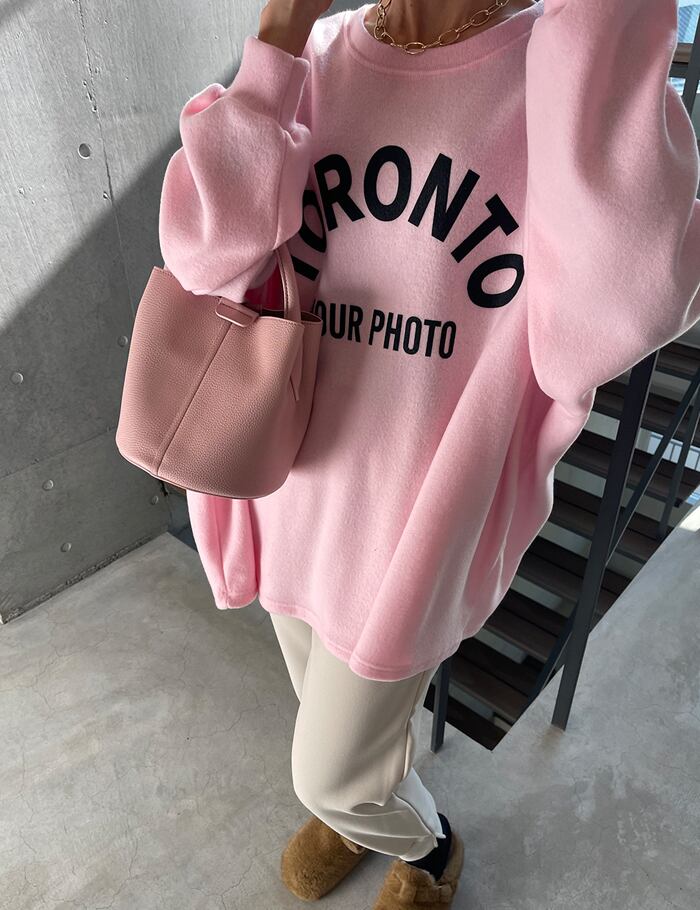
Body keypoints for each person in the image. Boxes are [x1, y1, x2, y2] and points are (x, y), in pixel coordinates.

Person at [158, 1, 700, 906]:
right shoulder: (318, 52)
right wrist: (279, 38)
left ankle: (427, 844)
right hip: (286, 485)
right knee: (336, 723)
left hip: (415, 522)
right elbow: (203, 263)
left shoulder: (556, 70)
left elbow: (621, 306)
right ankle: (364, 807)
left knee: (329, 771)